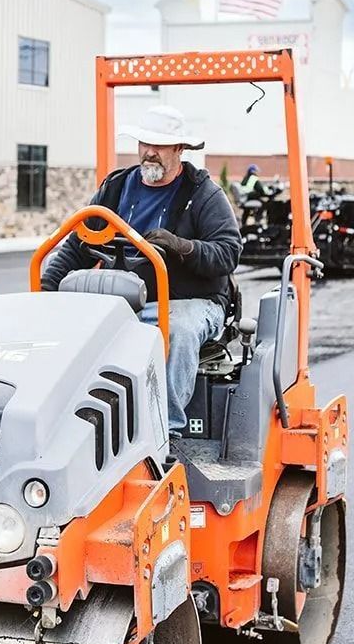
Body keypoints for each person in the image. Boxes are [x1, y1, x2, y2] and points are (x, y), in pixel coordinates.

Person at [40, 104, 241, 442]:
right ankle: (79, 432)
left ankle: (164, 434)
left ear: (179, 149)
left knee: (175, 331)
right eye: (144, 143)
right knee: (71, 330)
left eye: (159, 145)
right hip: (125, 298)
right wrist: (46, 292)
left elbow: (228, 253)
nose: (150, 153)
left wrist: (182, 246)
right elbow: (77, 244)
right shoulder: (116, 188)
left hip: (190, 301)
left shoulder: (203, 194)